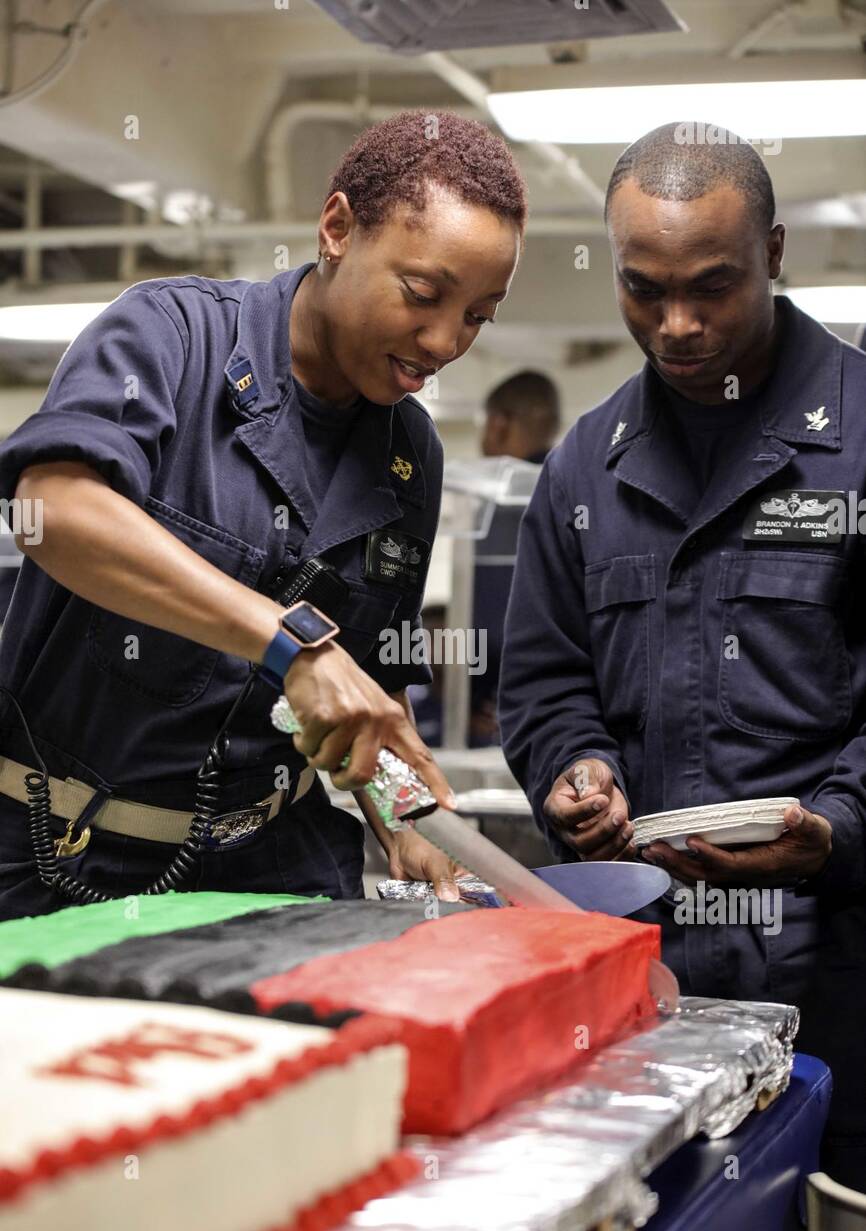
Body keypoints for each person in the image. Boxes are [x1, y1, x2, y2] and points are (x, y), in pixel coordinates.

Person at [0, 110, 525, 918]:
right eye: (423, 294)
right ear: (338, 227)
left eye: (478, 317)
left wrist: (404, 816)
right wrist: (290, 647)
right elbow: (56, 509)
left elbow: (372, 678)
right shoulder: (173, 337)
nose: (445, 340)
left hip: (275, 870)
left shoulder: (410, 455)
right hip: (59, 858)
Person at [500, 123, 866, 1191]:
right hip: (646, 966)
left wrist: (835, 827)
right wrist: (572, 768)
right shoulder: (583, 467)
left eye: (712, 285)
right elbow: (542, 678)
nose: (676, 324)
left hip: (838, 955)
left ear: (773, 252)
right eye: (641, 289)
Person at [471, 371, 561, 744]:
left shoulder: (501, 503)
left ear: (499, 423)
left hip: (507, 702)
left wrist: (477, 697)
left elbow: (490, 626)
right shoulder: (568, 487)